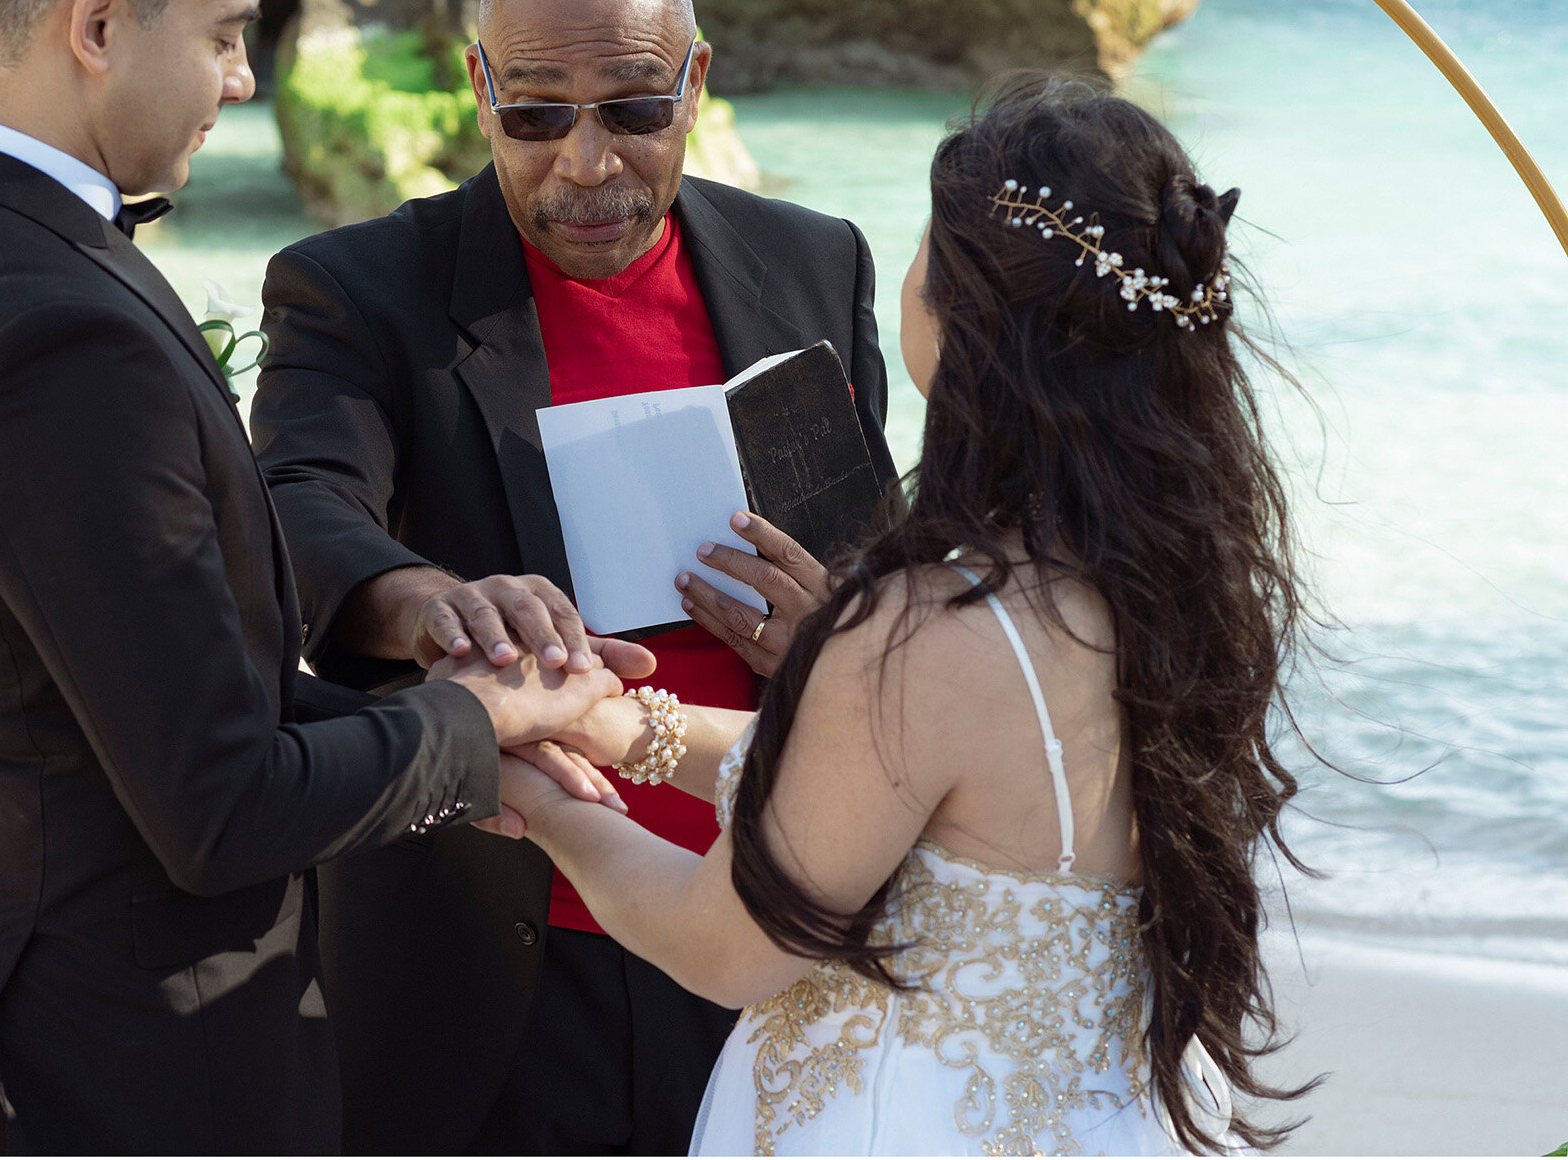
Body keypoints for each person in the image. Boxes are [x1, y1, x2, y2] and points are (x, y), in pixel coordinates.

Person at [0, 0, 646, 1156]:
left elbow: (132, 696)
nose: (244, 80)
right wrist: (475, 725)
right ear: (98, 23)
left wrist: (451, 729)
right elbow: (218, 805)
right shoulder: (62, 338)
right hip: (123, 1063)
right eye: (227, 32)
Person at [495, 73, 1320, 1155]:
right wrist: (612, 728)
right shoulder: (1168, 577)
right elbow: (923, 799)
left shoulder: (928, 626)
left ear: (975, 322)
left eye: (927, 251)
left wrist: (537, 798)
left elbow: (728, 946)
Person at [251, 0, 901, 1153]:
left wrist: (838, 635)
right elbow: (290, 504)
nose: (586, 163)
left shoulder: (815, 260)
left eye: (633, 109)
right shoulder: (358, 288)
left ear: (695, 83)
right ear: (478, 86)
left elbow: (883, 560)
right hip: (502, 941)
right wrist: (433, 597)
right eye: (537, 113)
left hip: (771, 919)